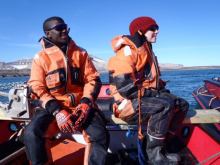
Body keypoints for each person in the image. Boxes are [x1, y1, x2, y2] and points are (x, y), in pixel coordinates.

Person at [21, 16, 110, 165]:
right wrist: (56, 110)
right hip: (53, 106)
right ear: (48, 34)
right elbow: (37, 87)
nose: (64, 30)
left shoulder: (81, 53)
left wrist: (86, 103)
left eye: (65, 27)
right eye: (59, 28)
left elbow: (92, 80)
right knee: (31, 133)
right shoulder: (40, 58)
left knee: (100, 135)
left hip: (80, 105)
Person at [108, 16, 189, 165]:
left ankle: (163, 145)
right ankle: (154, 155)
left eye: (157, 28)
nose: (157, 31)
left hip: (142, 99)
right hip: (126, 104)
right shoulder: (126, 53)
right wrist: (157, 95)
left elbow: (152, 82)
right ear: (140, 32)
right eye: (152, 28)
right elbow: (126, 88)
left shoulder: (146, 51)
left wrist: (162, 92)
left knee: (182, 104)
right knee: (165, 105)